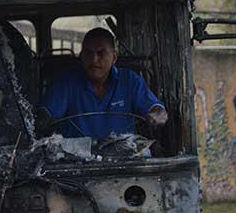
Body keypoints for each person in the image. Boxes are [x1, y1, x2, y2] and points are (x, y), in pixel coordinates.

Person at [39, 27, 167, 140]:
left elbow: (156, 109)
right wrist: (42, 119)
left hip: (124, 157)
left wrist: (157, 115)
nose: (94, 60)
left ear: (114, 58)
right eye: (88, 53)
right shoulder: (66, 82)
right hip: (77, 158)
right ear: (81, 56)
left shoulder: (129, 80)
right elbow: (46, 113)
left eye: (101, 53)